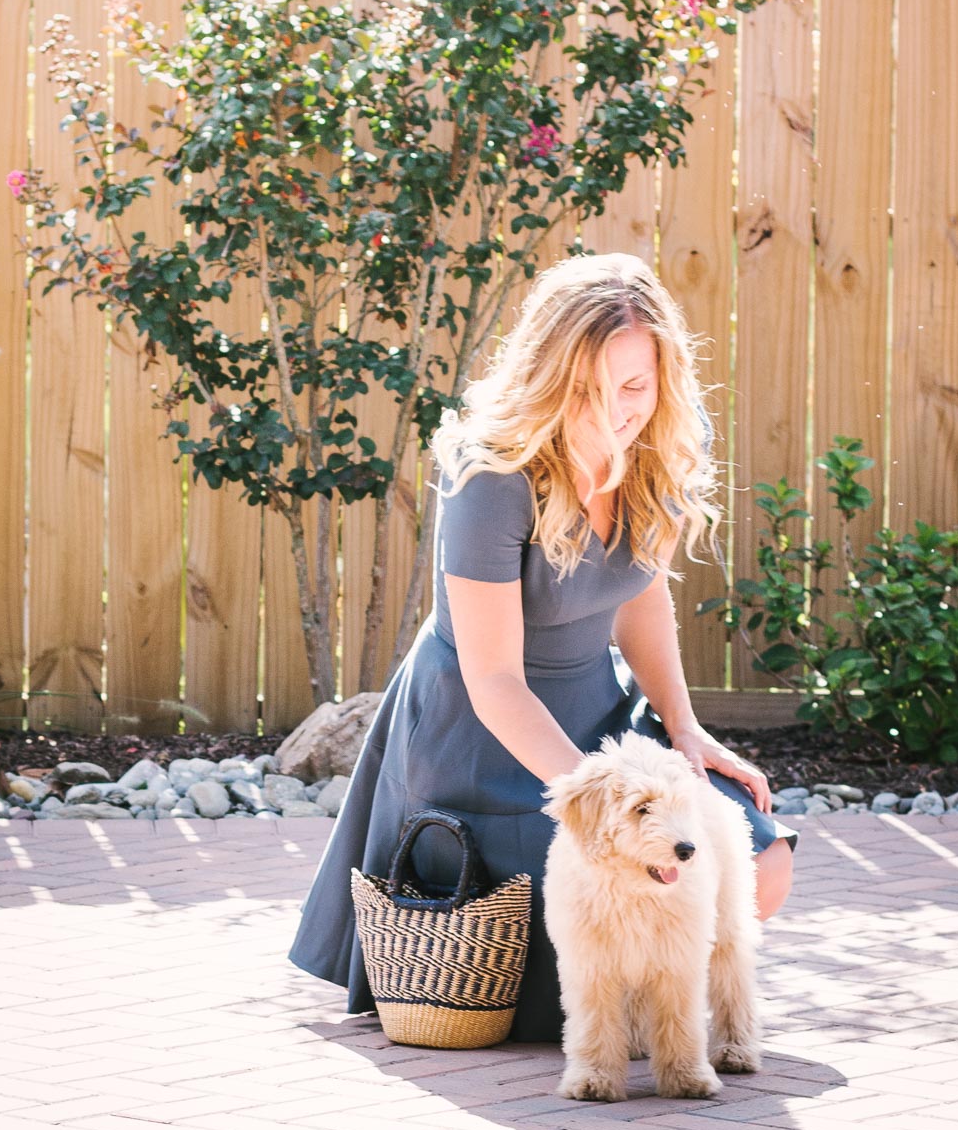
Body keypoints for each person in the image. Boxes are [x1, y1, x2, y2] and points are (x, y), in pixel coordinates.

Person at [288, 251, 798, 1043]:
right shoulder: (491, 474)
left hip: (598, 710)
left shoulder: (656, 443)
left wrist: (685, 729)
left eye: (634, 386)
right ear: (546, 376)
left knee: (759, 867)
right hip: (479, 734)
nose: (612, 413)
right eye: (586, 391)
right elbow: (492, 679)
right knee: (606, 892)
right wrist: (592, 804)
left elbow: (640, 594)